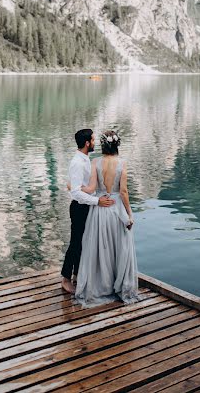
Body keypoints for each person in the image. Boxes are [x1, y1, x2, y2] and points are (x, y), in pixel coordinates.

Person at [74, 129, 141, 307]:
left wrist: (75, 186)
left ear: (103, 144)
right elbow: (124, 192)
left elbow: (91, 188)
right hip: (117, 207)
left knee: (101, 248)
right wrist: (129, 214)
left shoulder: (95, 161)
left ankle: (102, 286)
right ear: (117, 144)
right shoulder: (122, 163)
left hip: (101, 208)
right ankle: (120, 286)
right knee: (120, 247)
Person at [61, 128, 115, 294]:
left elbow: (81, 185)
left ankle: (78, 274)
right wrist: (97, 201)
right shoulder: (78, 163)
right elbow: (75, 192)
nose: (94, 143)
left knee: (84, 243)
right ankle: (65, 278)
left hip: (87, 207)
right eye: (92, 140)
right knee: (76, 243)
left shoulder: (85, 159)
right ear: (86, 143)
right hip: (79, 207)